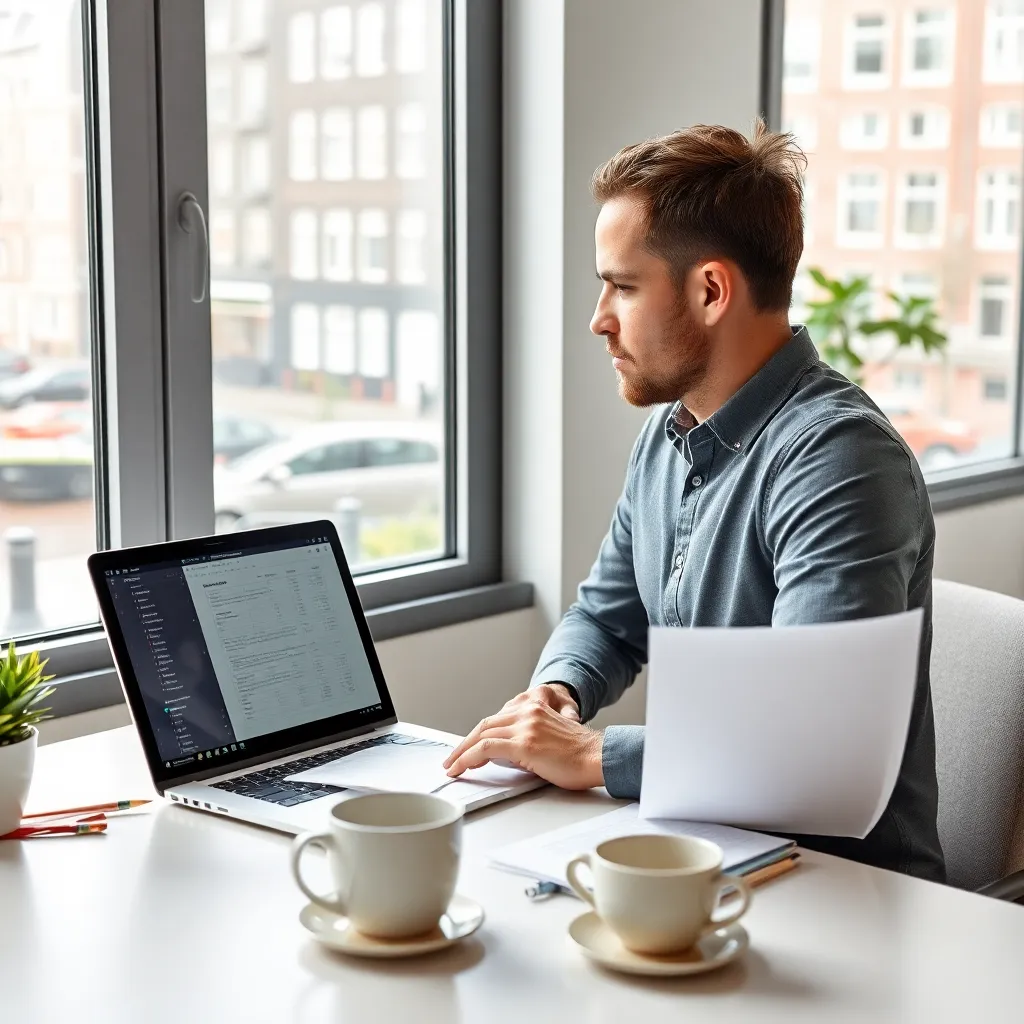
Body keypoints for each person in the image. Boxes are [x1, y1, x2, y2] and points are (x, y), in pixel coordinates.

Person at [443, 120, 945, 881]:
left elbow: (813, 744)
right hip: (703, 849)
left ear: (711, 290)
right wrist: (558, 694)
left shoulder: (840, 460)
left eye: (623, 285)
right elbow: (606, 619)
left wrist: (592, 755)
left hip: (837, 885)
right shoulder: (668, 433)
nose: (598, 318)